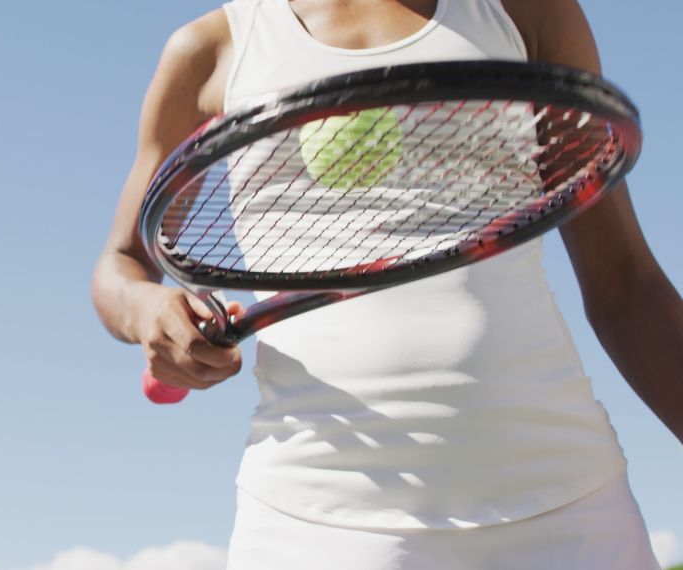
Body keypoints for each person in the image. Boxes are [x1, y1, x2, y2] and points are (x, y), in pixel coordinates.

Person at [91, 0, 683, 568]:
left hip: (569, 505)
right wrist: (147, 309)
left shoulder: (526, 11)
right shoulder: (209, 51)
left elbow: (624, 283)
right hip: (319, 519)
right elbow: (122, 265)